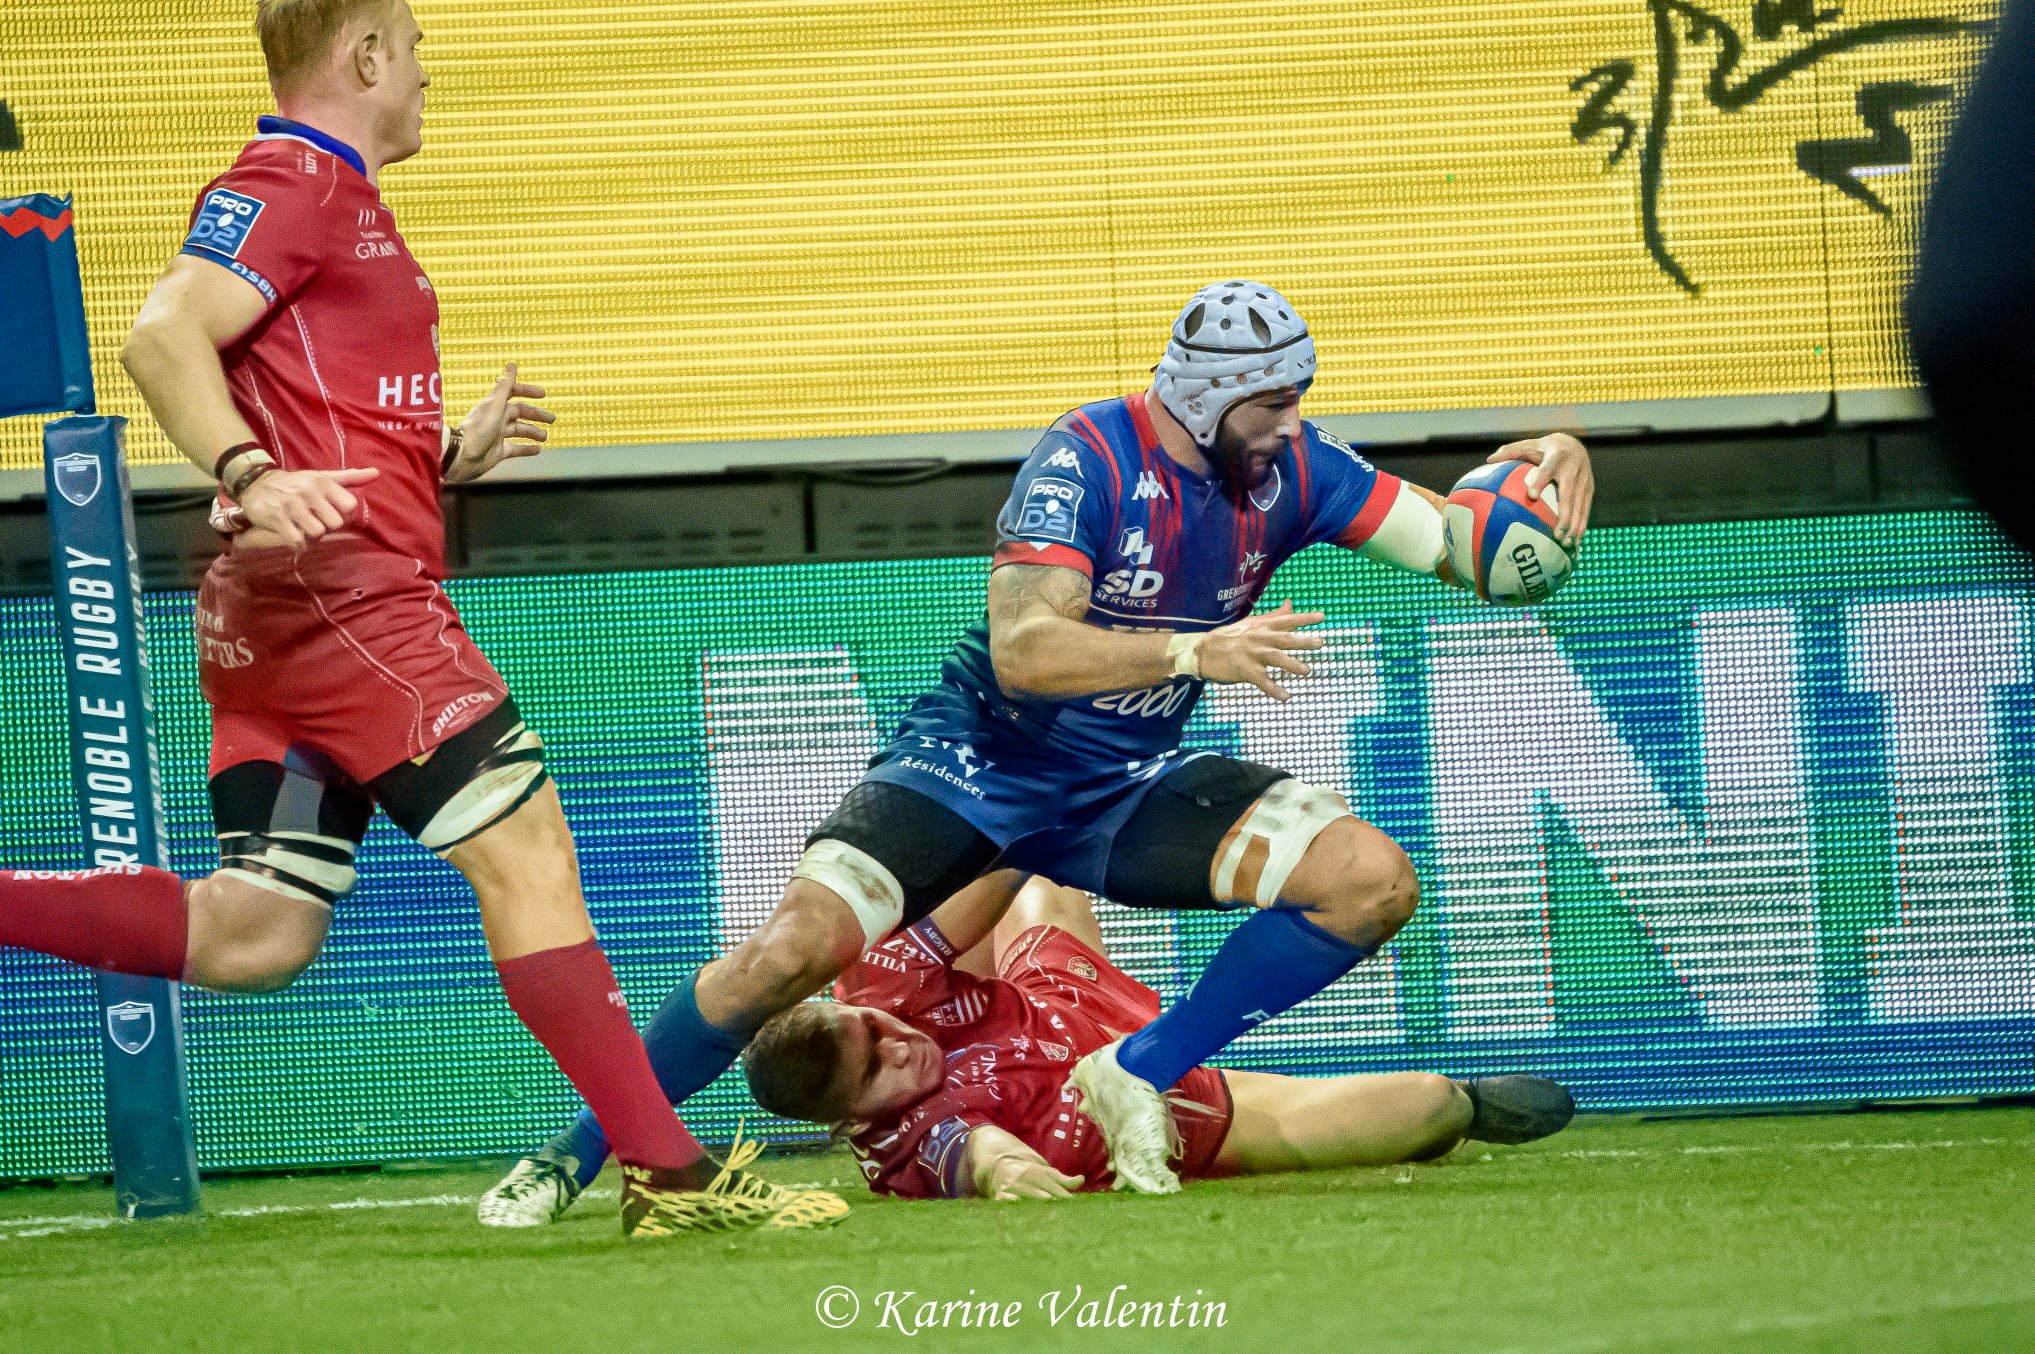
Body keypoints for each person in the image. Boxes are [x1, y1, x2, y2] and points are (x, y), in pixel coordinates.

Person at [482, 279, 1595, 1222]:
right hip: (976, 764)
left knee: (1370, 883)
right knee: (788, 953)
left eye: (1297, 398)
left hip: (1122, 783)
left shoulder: (1295, 468)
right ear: (1203, 398)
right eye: (1271, 403)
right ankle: (573, 1155)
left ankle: (1136, 1068)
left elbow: (1462, 546)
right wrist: (1194, 651)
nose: (1292, 423)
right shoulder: (1085, 459)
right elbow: (1024, 651)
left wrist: (1552, 470)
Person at [0, 0, 841, 1238]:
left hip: (286, 613)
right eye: (415, 48)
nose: (426, 74)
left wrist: (438, 454)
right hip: (347, 605)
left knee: (259, 929)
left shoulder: (337, 200)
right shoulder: (291, 183)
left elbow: (307, 401)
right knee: (530, 856)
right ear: (364, 56)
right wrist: (248, 473)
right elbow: (162, 334)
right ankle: (668, 1173)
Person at [743, 876, 1573, 1200]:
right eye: (876, 1071)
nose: (897, 1045)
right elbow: (982, 1154)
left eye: (875, 1032)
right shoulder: (915, 1141)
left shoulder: (876, 987)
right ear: (849, 1118)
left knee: (1036, 871)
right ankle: (1470, 1106)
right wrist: (1008, 1175)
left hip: (1056, 991)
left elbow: (996, 865)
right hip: (1170, 1106)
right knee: (1426, 1106)